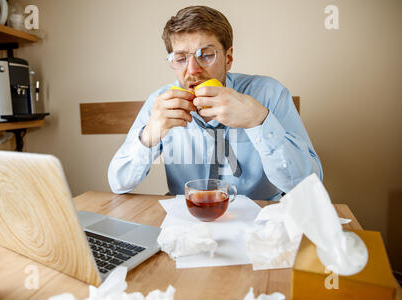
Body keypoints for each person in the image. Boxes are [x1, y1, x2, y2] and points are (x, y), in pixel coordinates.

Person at [108, 5, 322, 200]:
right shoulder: (161, 103)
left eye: (206, 55)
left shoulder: (269, 93)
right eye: (181, 58)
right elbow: (119, 183)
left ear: (228, 58)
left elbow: (310, 184)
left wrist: (259, 121)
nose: (192, 70)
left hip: (261, 218)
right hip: (186, 219)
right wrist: (150, 134)